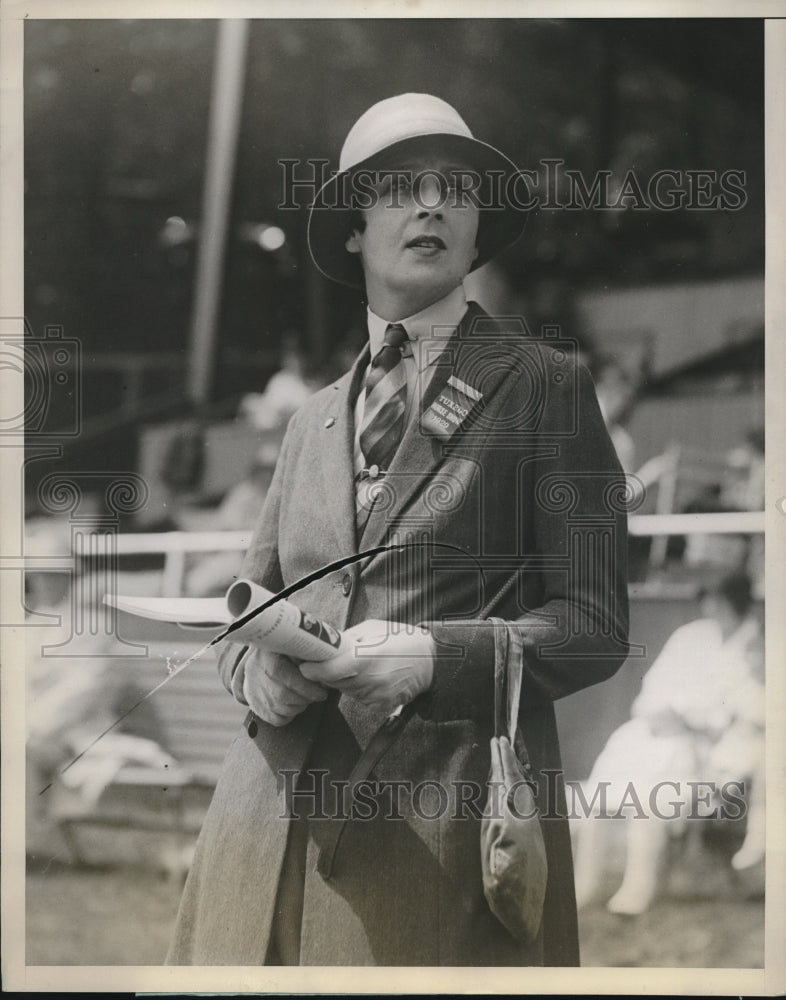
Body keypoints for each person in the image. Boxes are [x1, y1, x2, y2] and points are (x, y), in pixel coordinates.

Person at [167, 93, 629, 967]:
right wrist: (255, 675)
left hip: (438, 845)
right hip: (262, 834)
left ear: (478, 225)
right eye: (400, 188)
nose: (431, 204)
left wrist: (431, 654)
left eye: (456, 189)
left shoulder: (545, 387)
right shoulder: (309, 420)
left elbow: (597, 628)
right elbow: (245, 603)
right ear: (352, 226)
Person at [573, 572, 764, 916]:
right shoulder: (691, 637)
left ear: (738, 604)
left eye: (721, 602)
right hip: (652, 738)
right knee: (596, 798)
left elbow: (747, 718)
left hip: (704, 758)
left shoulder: (756, 648)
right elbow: (652, 695)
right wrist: (667, 715)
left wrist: (695, 723)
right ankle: (583, 886)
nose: (712, 609)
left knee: (649, 801)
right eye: (709, 600)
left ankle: (636, 890)